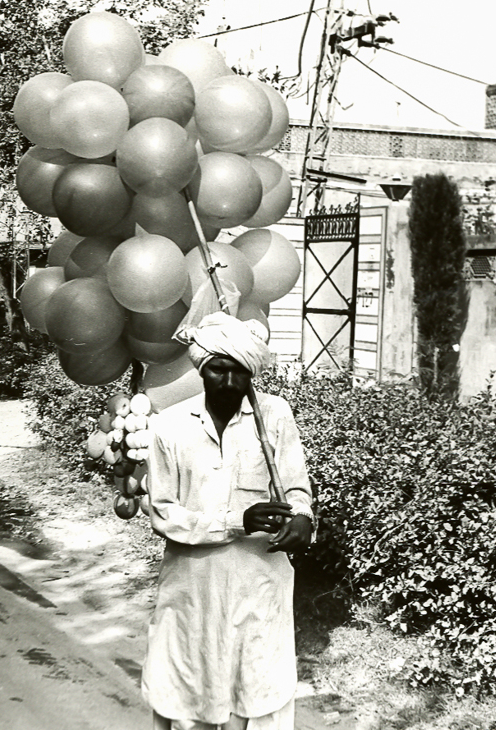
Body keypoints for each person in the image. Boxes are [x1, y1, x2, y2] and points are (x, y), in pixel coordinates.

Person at [143, 312, 315, 730]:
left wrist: (304, 519)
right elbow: (163, 513)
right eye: (218, 369)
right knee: (190, 696)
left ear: (251, 373)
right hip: (194, 587)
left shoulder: (273, 415)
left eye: (239, 372)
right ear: (201, 368)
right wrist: (237, 521)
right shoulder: (170, 426)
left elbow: (297, 488)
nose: (228, 382)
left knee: (256, 693)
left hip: (259, 584)